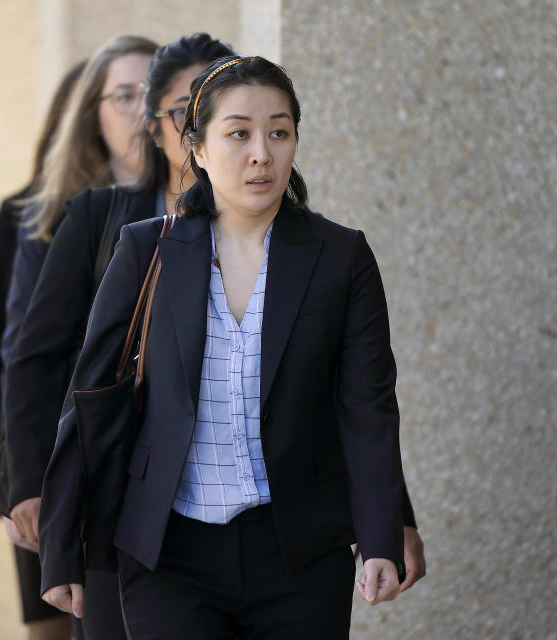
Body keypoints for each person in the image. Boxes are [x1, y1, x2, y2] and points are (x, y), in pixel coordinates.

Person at [39, 55, 413, 638]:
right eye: (238, 133)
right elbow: (88, 402)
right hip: (168, 551)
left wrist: (381, 536)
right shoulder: (146, 250)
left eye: (279, 132)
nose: (261, 152)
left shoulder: (340, 257)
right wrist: (61, 549)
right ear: (199, 148)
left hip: (300, 555)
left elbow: (367, 408)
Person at [2, 34, 158, 639]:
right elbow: (25, 355)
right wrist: (26, 478)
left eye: (156, 96)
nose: (143, 114)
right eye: (124, 96)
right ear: (92, 111)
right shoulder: (58, 217)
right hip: (72, 458)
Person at [0, 59, 87, 640]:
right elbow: (7, 352)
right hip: (36, 455)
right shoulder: (23, 215)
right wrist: (8, 474)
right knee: (48, 627)